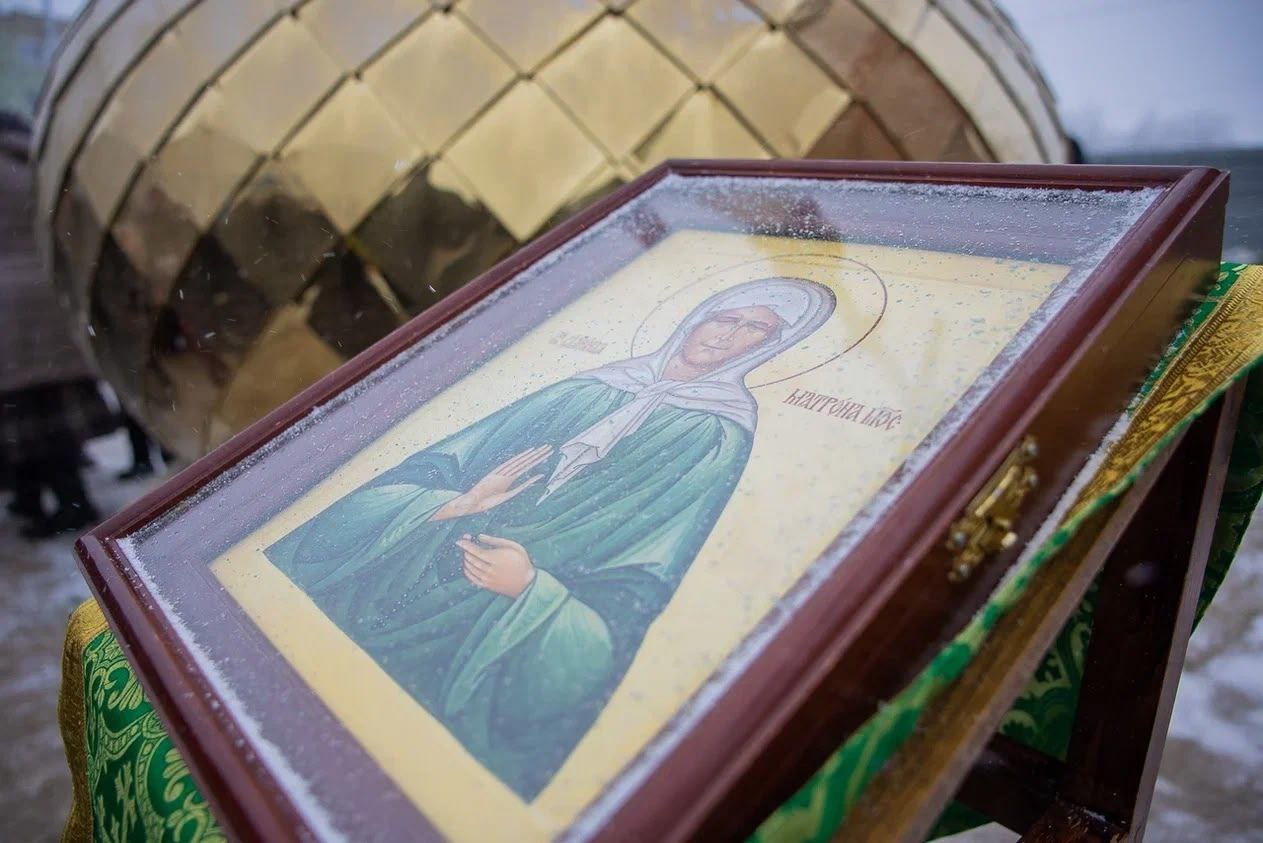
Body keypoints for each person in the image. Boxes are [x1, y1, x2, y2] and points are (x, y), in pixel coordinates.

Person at [266, 277, 835, 798]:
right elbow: (433, 467)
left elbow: (636, 590)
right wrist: (453, 504)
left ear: (770, 348)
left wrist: (531, 589)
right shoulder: (589, 386)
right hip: (391, 581)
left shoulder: (716, 437)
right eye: (725, 318)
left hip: (485, 635)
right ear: (696, 318)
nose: (728, 335)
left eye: (754, 330)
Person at [0, 112, 115, 538]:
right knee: (54, 410)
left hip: (8, 306)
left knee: (27, 417)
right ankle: (57, 497)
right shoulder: (38, 164)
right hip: (49, 290)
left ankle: (63, 503)